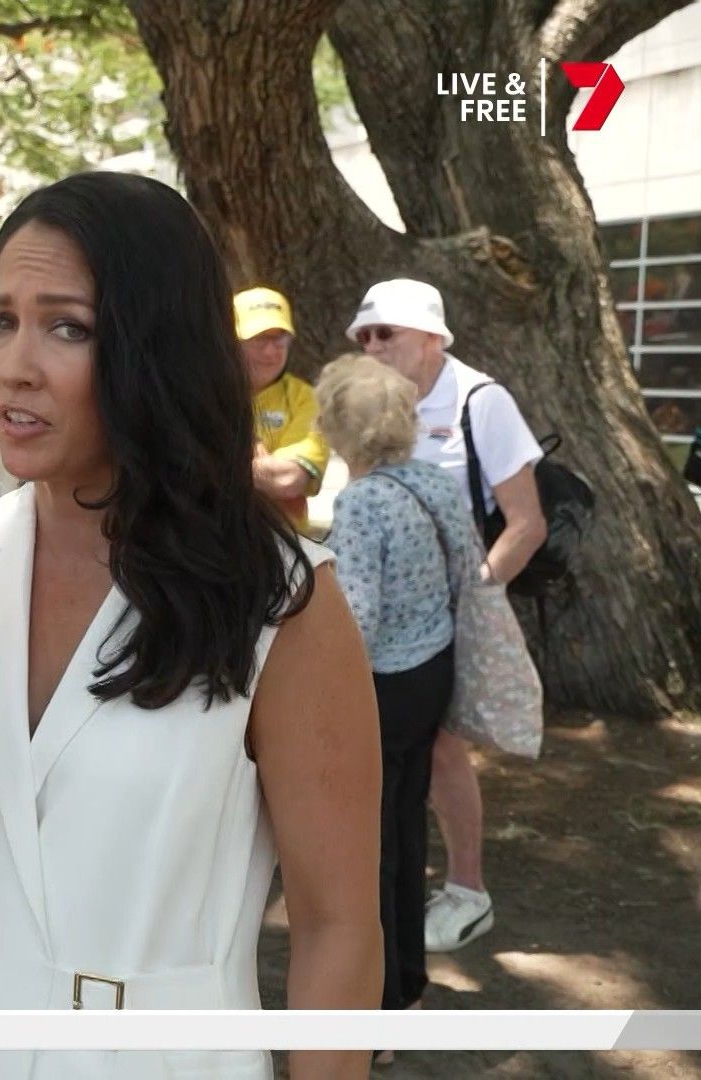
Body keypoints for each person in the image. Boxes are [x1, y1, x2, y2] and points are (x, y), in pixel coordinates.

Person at [0, 172, 382, 1080]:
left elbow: (337, 928)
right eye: (0, 320)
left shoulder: (279, 601)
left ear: (158, 349)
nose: (12, 366)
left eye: (68, 327)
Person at [348, 277, 548, 955]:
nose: (373, 346)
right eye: (364, 336)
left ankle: (467, 890)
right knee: (411, 750)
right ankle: (410, 890)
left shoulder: (481, 401)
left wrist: (476, 596)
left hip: (452, 611)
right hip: (392, 619)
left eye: (386, 333)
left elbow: (526, 523)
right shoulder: (376, 402)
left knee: (436, 746)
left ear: (433, 337)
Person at [314, 354, 482, 1039]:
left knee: (370, 847)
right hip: (432, 670)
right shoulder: (434, 482)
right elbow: (466, 568)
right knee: (406, 831)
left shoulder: (360, 503)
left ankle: (378, 1009)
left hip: (381, 685)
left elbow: (355, 620)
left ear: (336, 429)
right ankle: (407, 987)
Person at [235, 286, 330, 536]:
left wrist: (219, 464)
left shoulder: (306, 399)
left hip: (283, 541)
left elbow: (288, 480)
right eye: (259, 339)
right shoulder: (205, 394)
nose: (271, 351)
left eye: (280, 339)